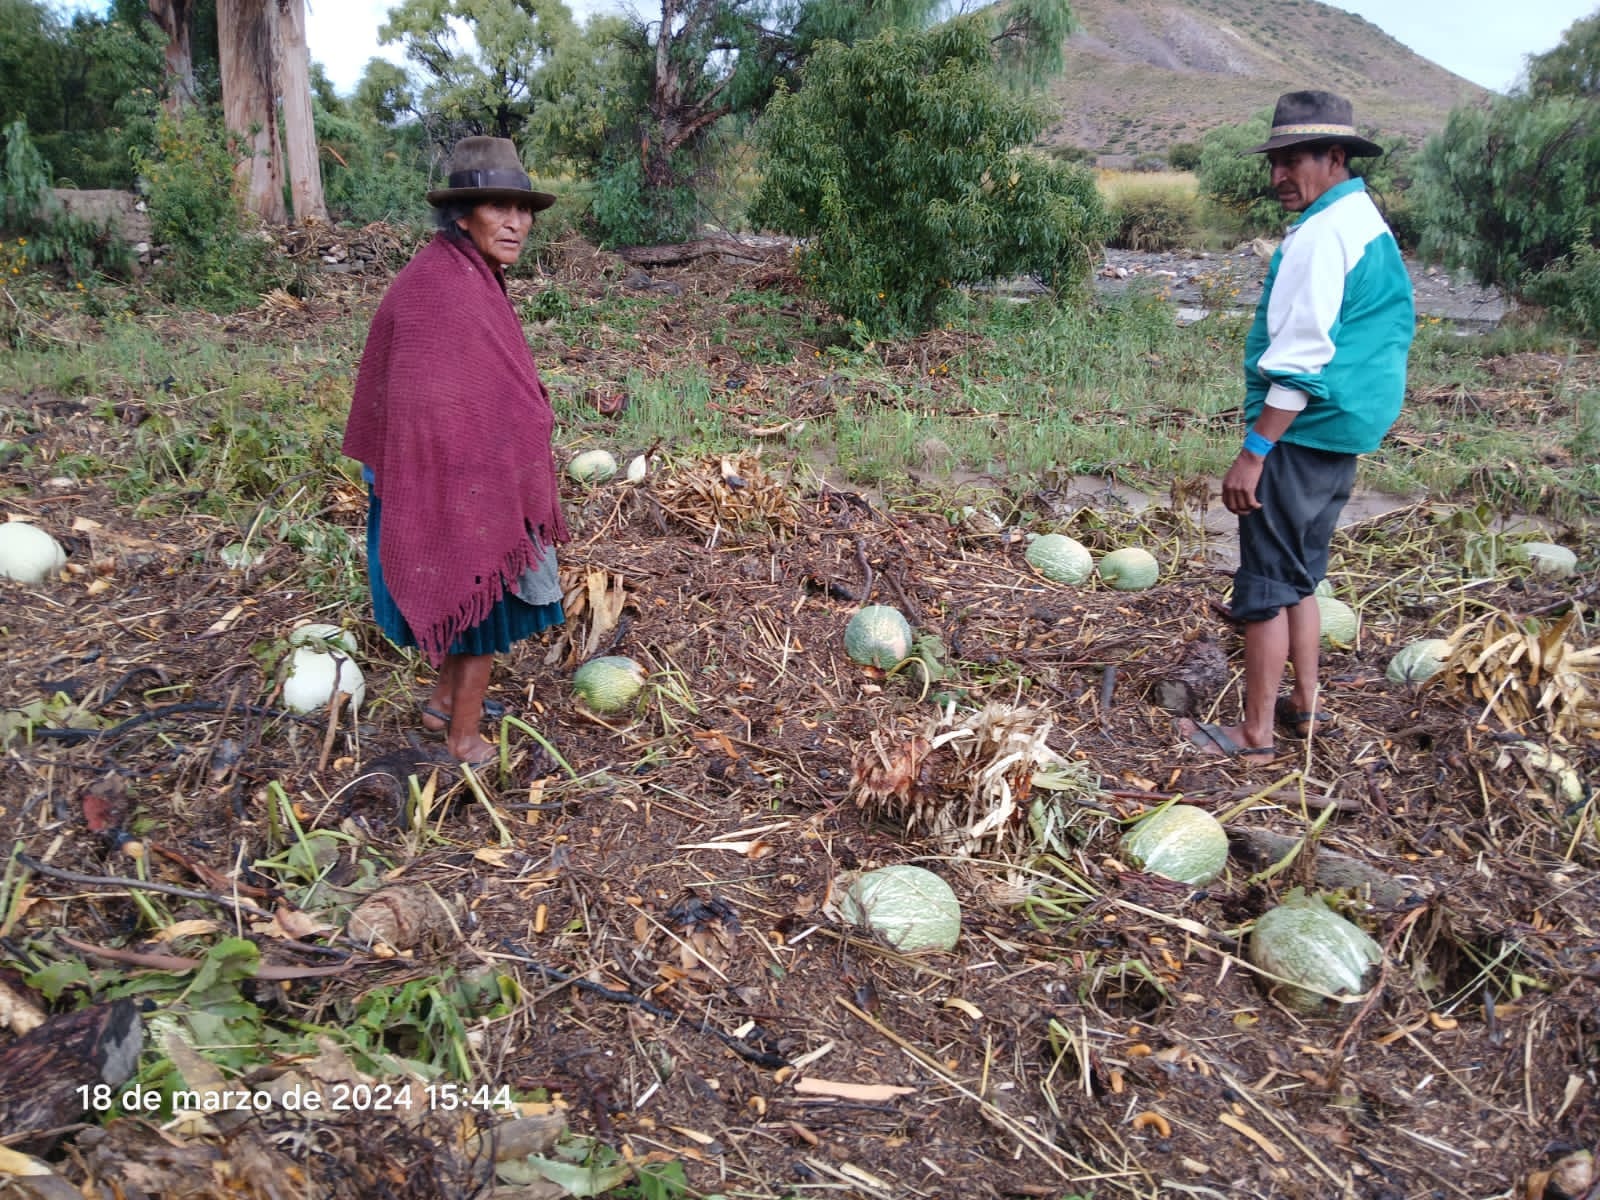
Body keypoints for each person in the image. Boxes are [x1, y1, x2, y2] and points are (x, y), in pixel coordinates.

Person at [1183, 91, 1414, 762]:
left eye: (1292, 162)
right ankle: (1304, 706)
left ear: (1335, 157)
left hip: (1304, 429)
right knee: (1299, 576)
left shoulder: (1322, 235)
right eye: (1274, 163)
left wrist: (1255, 450)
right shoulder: (1361, 219)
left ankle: (1253, 734)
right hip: (1342, 429)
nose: (1278, 177)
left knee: (1262, 582)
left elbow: (1301, 356)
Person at [342, 137, 569, 766]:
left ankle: (444, 702)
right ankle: (463, 740)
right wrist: (482, 474)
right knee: (478, 609)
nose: (517, 223)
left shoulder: (465, 273)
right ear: (463, 214)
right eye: (500, 208)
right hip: (448, 478)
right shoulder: (440, 288)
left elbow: (480, 386)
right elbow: (428, 403)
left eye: (523, 211)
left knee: (480, 603)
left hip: (464, 471)